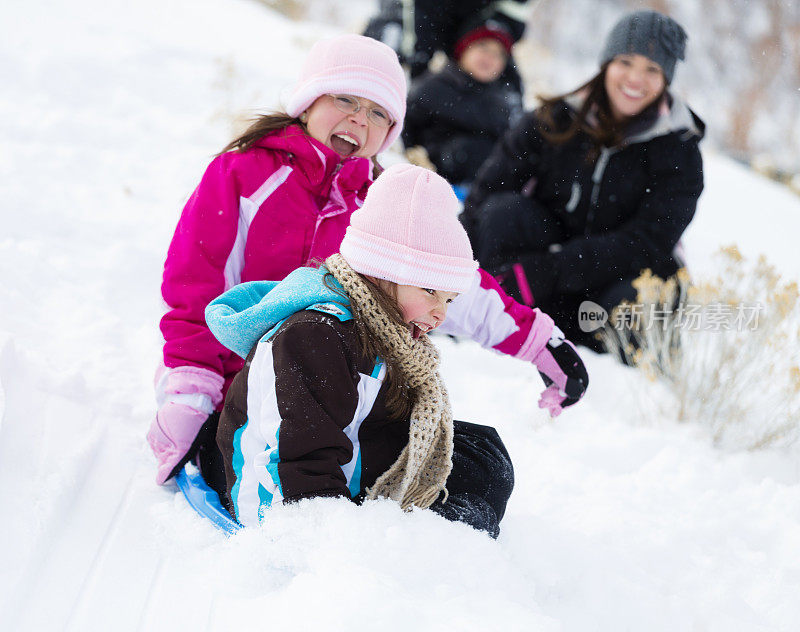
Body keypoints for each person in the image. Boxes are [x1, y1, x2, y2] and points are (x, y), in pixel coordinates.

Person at [148, 33, 588, 492]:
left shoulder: (381, 205)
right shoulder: (243, 174)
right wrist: (191, 395)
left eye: (378, 112)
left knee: (482, 463)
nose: (359, 119)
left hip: (342, 400)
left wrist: (540, 343)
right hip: (244, 403)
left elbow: (448, 284)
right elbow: (195, 289)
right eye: (345, 99)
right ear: (308, 101)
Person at [204, 165, 565, 537]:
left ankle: (448, 533)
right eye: (430, 291)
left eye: (450, 299)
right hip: (286, 497)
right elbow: (301, 460)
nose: (441, 314)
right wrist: (332, 541)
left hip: (348, 450)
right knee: (471, 507)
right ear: (380, 272)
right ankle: (442, 544)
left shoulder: (383, 325)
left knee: (483, 456)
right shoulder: (316, 336)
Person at [460, 10, 705, 351]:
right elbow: (489, 189)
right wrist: (450, 268)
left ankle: (621, 380)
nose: (636, 79)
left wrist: (549, 271)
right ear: (606, 63)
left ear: (666, 79)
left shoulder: (679, 149)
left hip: (612, 283)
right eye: (626, 62)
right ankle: (485, 316)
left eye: (652, 69)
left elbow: (648, 240)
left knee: (644, 296)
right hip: (551, 270)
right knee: (501, 213)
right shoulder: (557, 118)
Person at [402, 17, 522, 188]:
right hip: (428, 180)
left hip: (478, 189)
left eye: (498, 55)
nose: (489, 58)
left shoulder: (504, 104)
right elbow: (406, 131)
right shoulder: (433, 87)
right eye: (483, 48)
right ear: (464, 49)